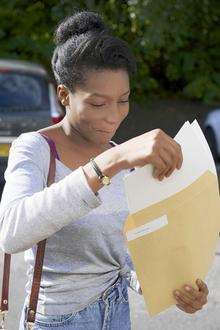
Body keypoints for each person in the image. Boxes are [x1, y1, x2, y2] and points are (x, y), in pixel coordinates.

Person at [0, 10, 209, 330]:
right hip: (58, 321)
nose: (113, 116)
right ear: (64, 96)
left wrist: (173, 288)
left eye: (123, 100)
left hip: (116, 314)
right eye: (98, 103)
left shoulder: (120, 156)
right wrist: (110, 163)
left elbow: (121, 257)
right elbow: (12, 233)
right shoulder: (37, 148)